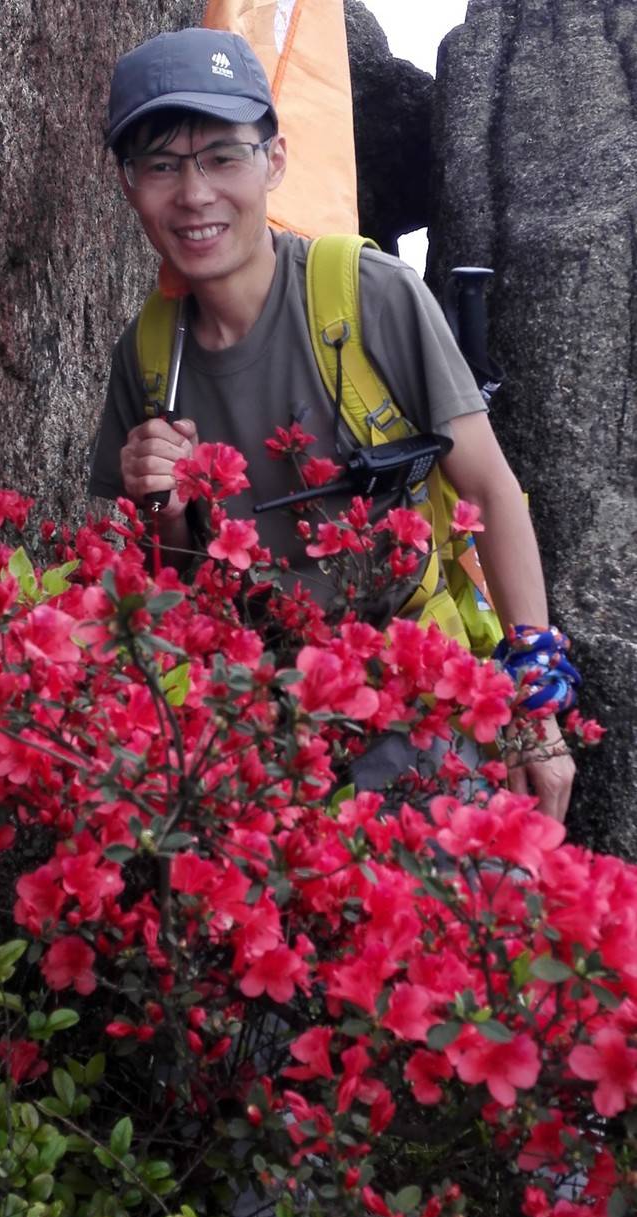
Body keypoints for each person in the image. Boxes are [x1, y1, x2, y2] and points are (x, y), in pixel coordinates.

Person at [89, 26, 576, 821]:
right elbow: (176, 589)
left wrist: (537, 703)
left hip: (415, 703)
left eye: (223, 156)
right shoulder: (147, 359)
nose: (195, 194)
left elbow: (489, 489)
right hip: (254, 729)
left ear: (275, 160)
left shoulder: (369, 294)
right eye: (162, 165)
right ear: (128, 183)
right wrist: (166, 514)